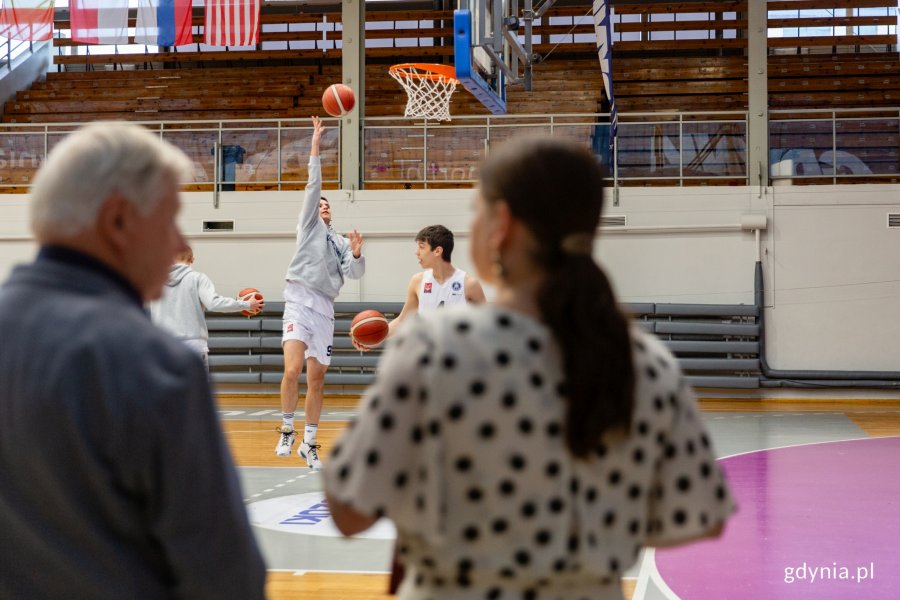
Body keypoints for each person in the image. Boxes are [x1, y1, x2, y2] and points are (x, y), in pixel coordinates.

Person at [323, 137, 735, 599]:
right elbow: (696, 516)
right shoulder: (645, 362)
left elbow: (348, 508)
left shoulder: (433, 349)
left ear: (502, 225)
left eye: (478, 210)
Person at [0, 122, 266, 599]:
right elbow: (227, 577)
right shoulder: (155, 367)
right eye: (168, 220)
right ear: (118, 220)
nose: (175, 241)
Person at [277, 116, 365, 469]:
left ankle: (309, 442)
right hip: (299, 300)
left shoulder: (341, 241)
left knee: (317, 379)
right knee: (292, 370)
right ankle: (286, 428)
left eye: (328, 205)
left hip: (325, 308)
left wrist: (357, 253)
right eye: (321, 203)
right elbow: (314, 184)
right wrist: (315, 143)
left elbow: (354, 273)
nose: (323, 206)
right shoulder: (308, 224)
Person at [150, 246, 264, 371]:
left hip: (161, 345)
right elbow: (214, 304)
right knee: (196, 389)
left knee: (164, 389)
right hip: (193, 345)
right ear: (192, 259)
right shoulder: (198, 278)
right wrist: (246, 304)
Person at [387, 224, 486, 337]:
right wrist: (370, 341)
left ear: (437, 251)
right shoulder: (417, 281)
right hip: (426, 352)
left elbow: (487, 326)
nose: (417, 252)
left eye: (421, 246)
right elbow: (402, 321)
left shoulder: (469, 284)